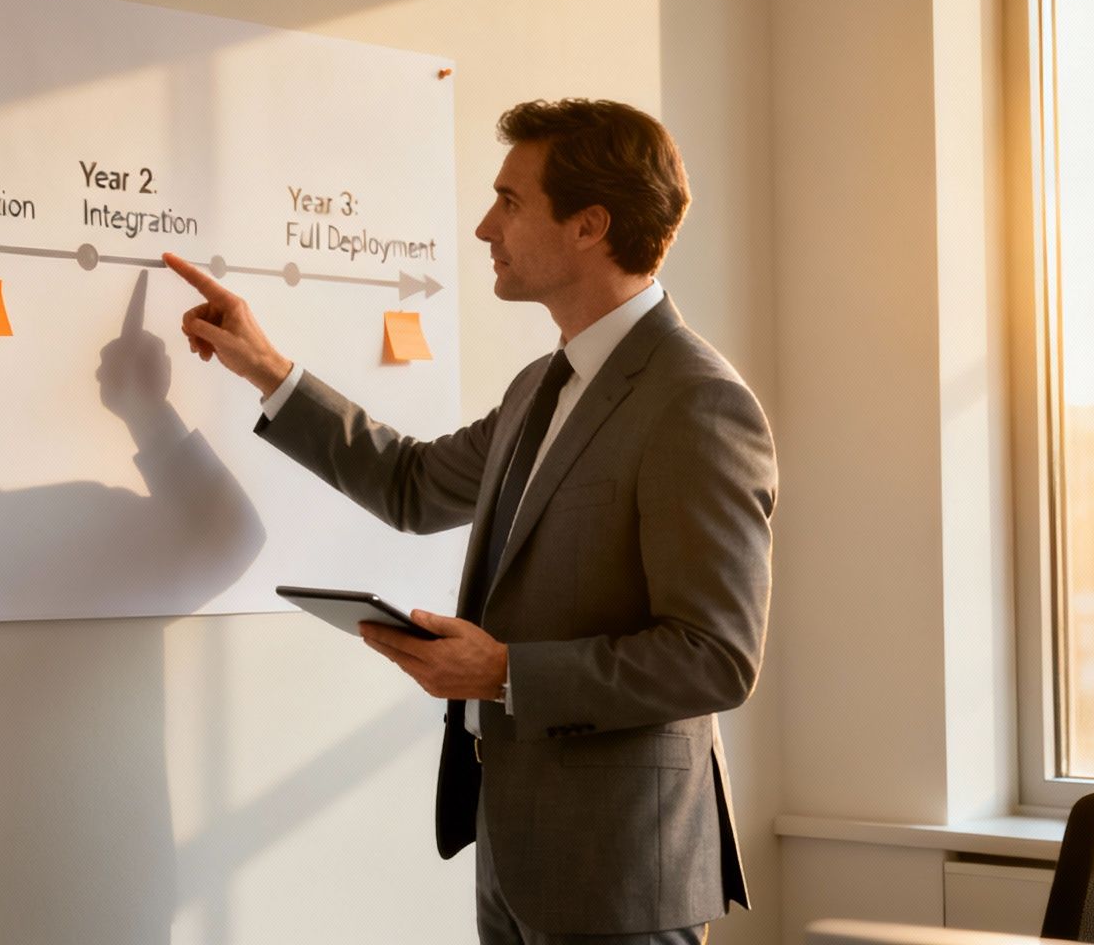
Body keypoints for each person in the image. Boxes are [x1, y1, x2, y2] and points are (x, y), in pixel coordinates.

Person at [163, 98, 776, 945]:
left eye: (510, 201)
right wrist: (266, 369)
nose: (486, 226)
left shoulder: (697, 403)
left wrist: (504, 672)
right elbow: (412, 485)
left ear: (590, 225)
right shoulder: (540, 385)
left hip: (621, 864)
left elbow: (715, 658)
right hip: (513, 848)